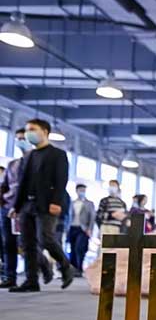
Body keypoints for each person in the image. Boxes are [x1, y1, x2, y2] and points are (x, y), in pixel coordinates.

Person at [9, 119, 75, 292]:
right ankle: (31, 281)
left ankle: (66, 266)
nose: (28, 133)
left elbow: (61, 180)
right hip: (27, 205)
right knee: (27, 243)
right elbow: (23, 183)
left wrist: (56, 202)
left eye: (32, 129)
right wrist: (16, 207)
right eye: (27, 129)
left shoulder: (57, 154)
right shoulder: (29, 156)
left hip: (46, 205)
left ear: (45, 131)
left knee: (45, 238)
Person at [0, 128, 54, 289]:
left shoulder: (39, 164)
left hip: (26, 209)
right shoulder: (12, 165)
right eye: (18, 139)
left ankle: (43, 265)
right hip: (7, 208)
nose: (20, 142)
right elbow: (5, 186)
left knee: (26, 244)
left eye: (23, 138)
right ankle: (10, 277)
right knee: (8, 244)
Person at [67, 184, 95, 276]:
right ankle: (73, 268)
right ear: (76, 191)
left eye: (84, 190)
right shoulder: (72, 203)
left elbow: (92, 217)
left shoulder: (89, 203)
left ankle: (79, 268)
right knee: (72, 249)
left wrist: (90, 229)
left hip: (83, 229)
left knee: (79, 248)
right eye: (80, 190)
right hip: (72, 227)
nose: (82, 192)